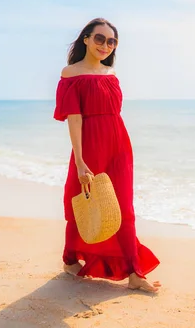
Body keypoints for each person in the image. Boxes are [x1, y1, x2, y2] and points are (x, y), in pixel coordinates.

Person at [53, 18, 161, 293]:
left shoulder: (111, 74)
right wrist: (79, 160)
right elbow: (74, 119)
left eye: (112, 41)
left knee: (124, 207)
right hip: (89, 146)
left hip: (119, 145)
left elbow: (115, 113)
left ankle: (134, 272)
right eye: (100, 38)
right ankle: (69, 259)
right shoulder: (70, 74)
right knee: (84, 202)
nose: (106, 45)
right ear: (86, 39)